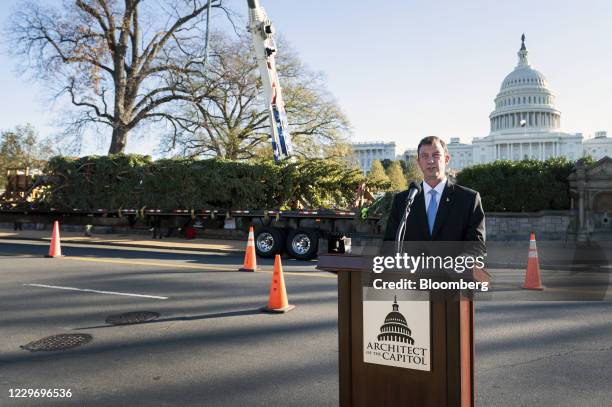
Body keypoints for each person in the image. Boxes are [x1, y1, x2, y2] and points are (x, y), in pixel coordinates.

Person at [384, 136, 485, 244]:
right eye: (425, 156)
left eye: (436, 155)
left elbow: (476, 247)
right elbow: (389, 245)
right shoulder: (402, 201)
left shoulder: (469, 199)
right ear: (419, 162)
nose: (430, 161)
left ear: (446, 159)